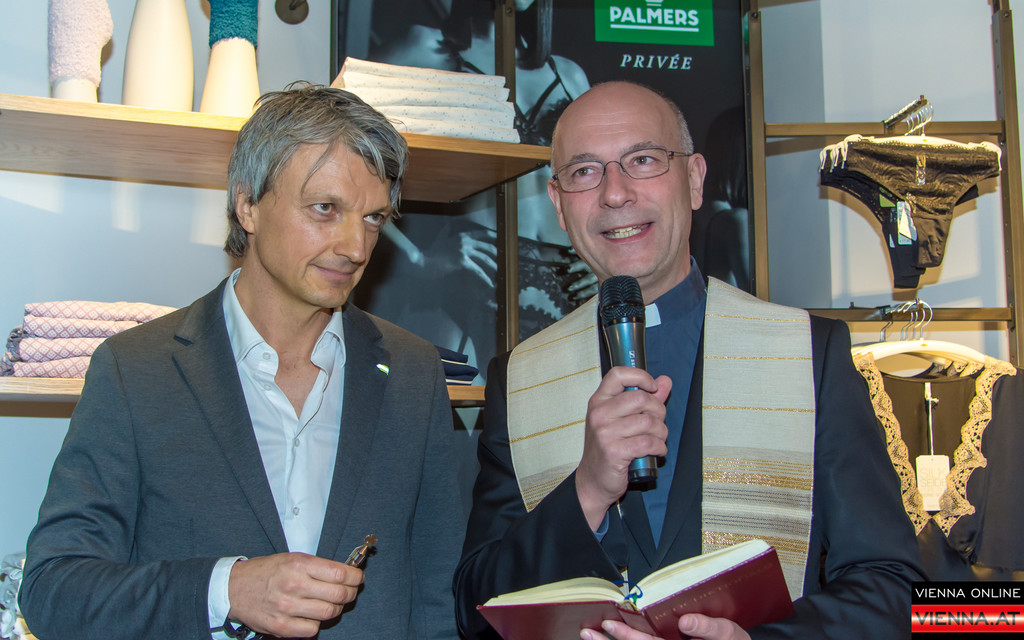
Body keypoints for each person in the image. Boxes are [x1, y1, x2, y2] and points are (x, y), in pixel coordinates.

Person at [453, 81, 924, 640]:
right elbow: (476, 613)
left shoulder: (807, 354)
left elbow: (892, 589)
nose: (615, 194)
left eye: (643, 160)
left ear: (696, 180)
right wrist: (587, 491)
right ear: (558, 203)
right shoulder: (520, 378)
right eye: (584, 172)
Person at [19, 84, 463, 640]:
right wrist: (224, 589)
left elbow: (439, 597)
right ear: (247, 204)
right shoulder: (136, 371)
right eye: (325, 209)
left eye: (373, 218)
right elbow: (54, 591)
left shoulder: (415, 373)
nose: (355, 246)